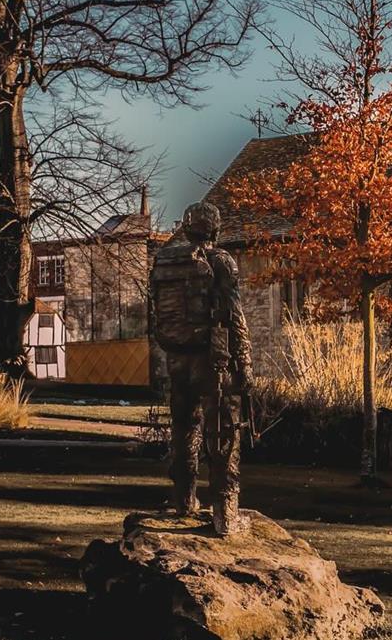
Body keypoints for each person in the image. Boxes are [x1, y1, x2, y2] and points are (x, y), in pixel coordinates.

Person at [150, 202, 254, 536]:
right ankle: (226, 515)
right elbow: (234, 315)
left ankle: (184, 501)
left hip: (176, 358)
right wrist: (246, 364)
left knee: (183, 430)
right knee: (222, 435)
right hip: (214, 361)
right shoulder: (221, 262)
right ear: (214, 229)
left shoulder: (165, 263)